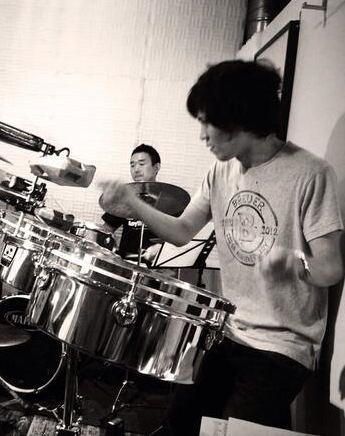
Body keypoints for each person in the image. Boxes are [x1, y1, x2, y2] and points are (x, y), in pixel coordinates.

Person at [101, 60, 344, 435]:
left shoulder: (311, 173)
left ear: (238, 118)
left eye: (206, 122)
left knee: (234, 429)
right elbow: (182, 231)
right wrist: (132, 201)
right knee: (180, 421)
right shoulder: (220, 171)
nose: (202, 135)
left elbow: (330, 268)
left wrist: (292, 261)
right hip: (229, 329)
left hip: (283, 344)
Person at [100, 144, 162, 263]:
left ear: (156, 167)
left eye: (142, 164)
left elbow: (181, 238)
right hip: (125, 266)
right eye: (132, 165)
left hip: (155, 268)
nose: (136, 169)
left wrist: (161, 248)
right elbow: (105, 230)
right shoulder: (125, 197)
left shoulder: (171, 199)